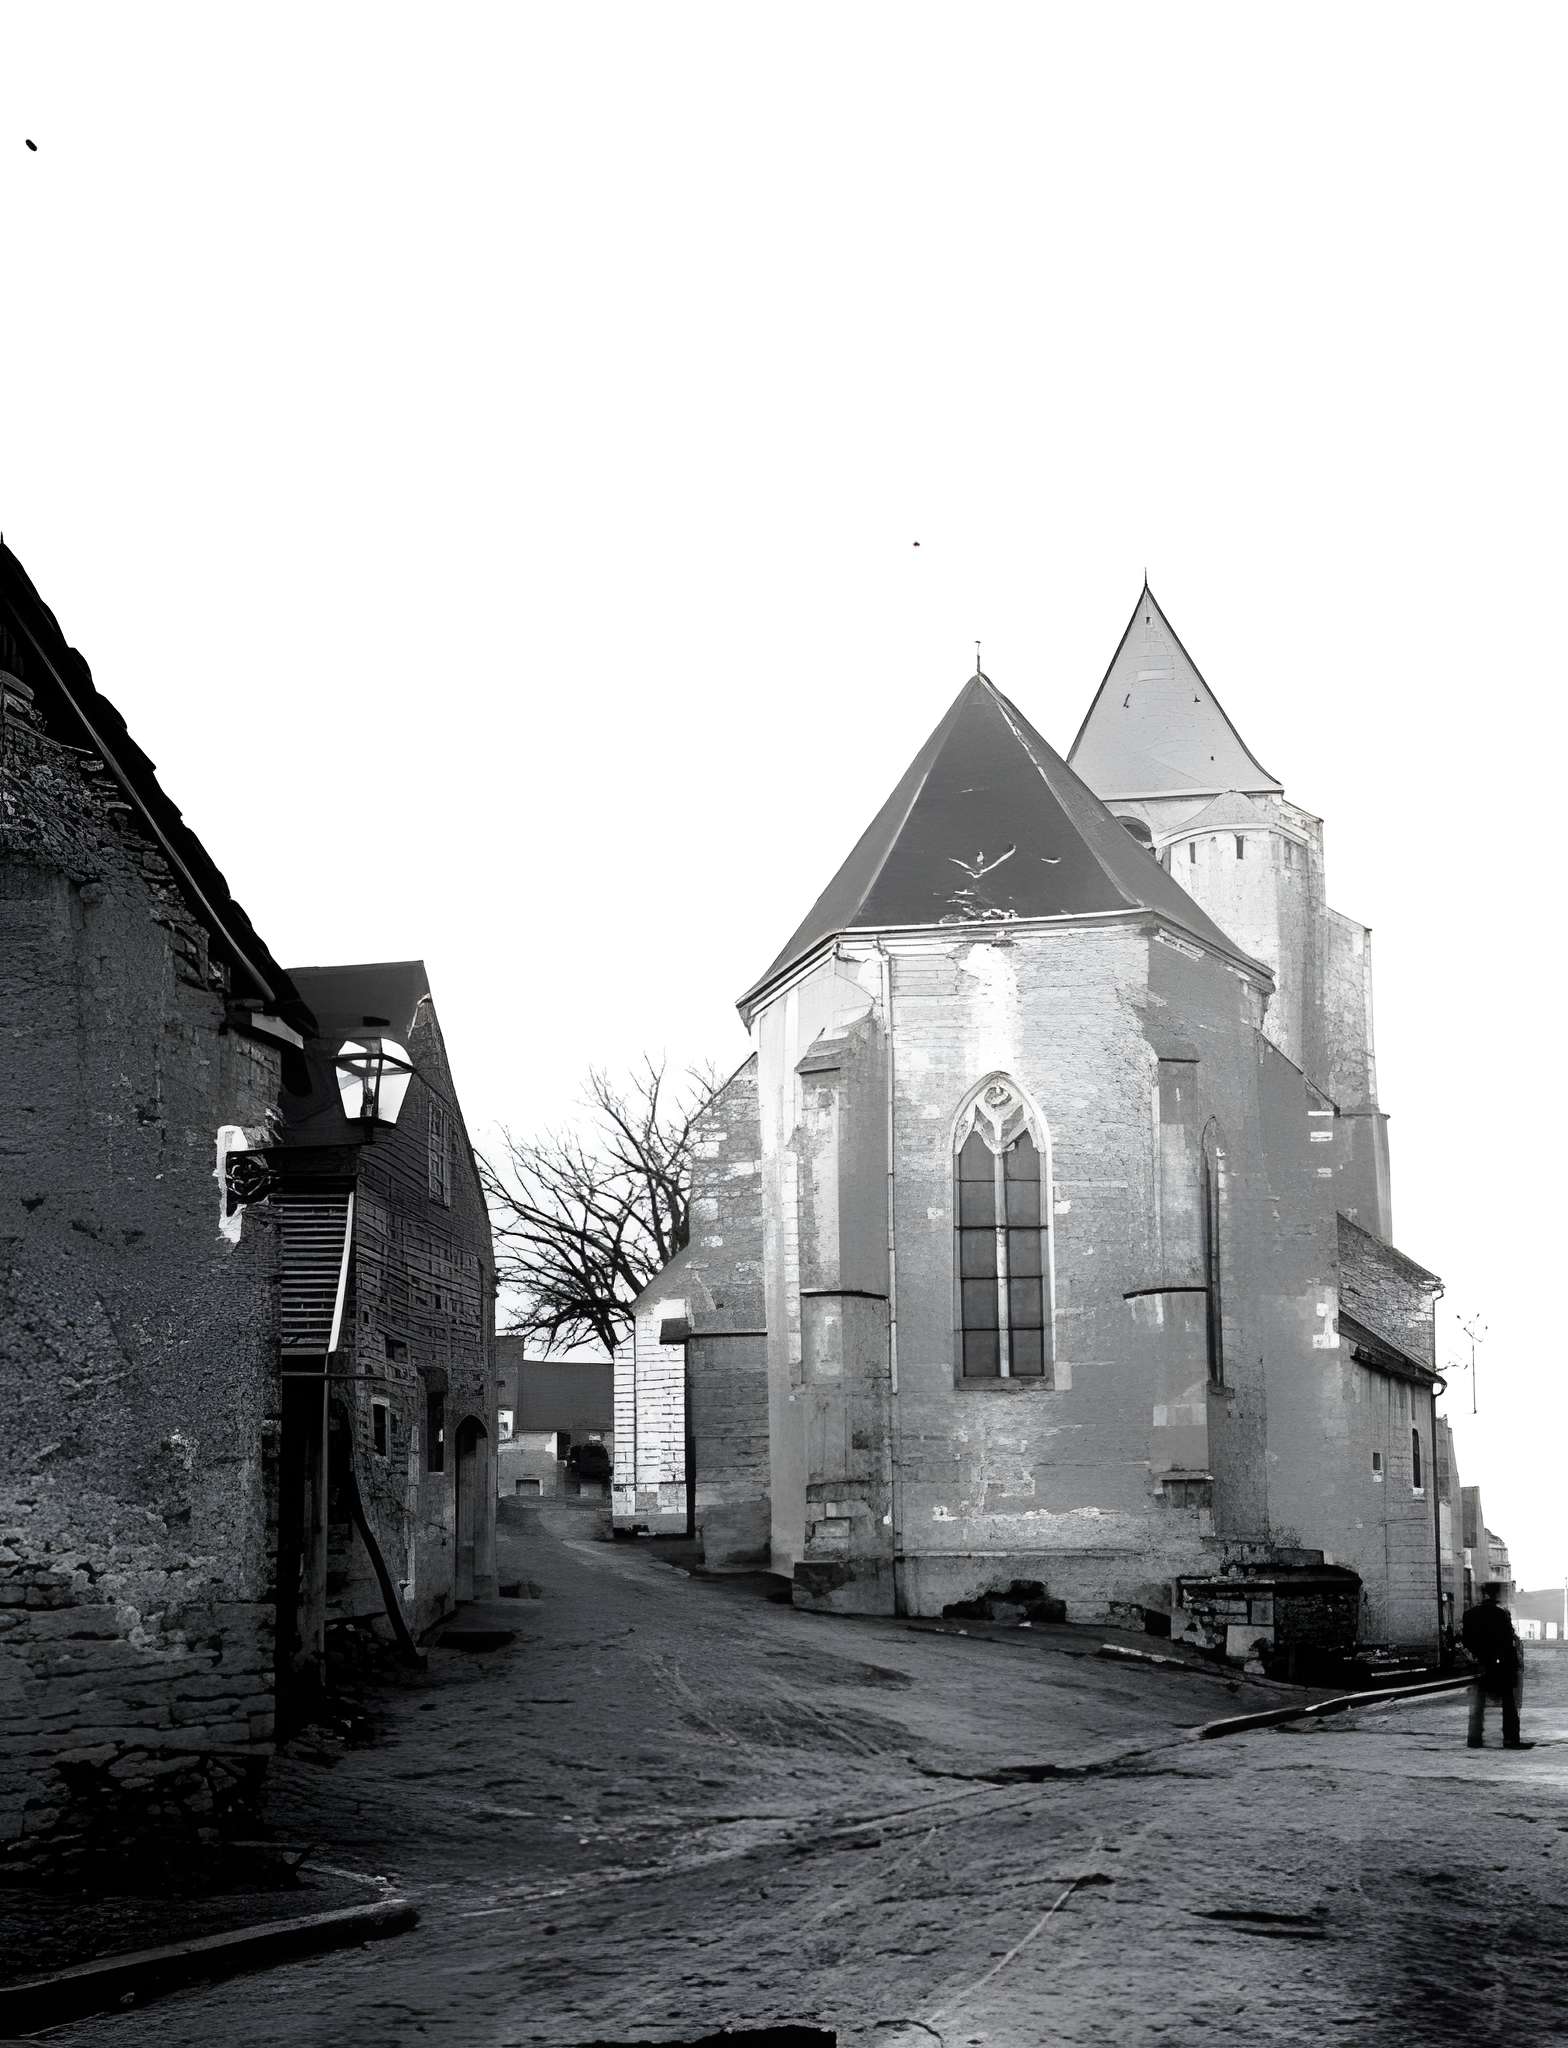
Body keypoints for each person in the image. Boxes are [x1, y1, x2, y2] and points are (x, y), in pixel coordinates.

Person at [1460, 1581, 1526, 1749]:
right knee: (1509, 1703)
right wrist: (1513, 1665)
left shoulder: (1469, 1614)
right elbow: (1507, 1642)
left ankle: (1474, 1739)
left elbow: (1465, 1640)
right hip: (1499, 1665)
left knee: (1477, 1705)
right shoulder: (1501, 1614)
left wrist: (1474, 1658)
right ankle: (1511, 1739)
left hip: (1479, 1664)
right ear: (1495, 1595)